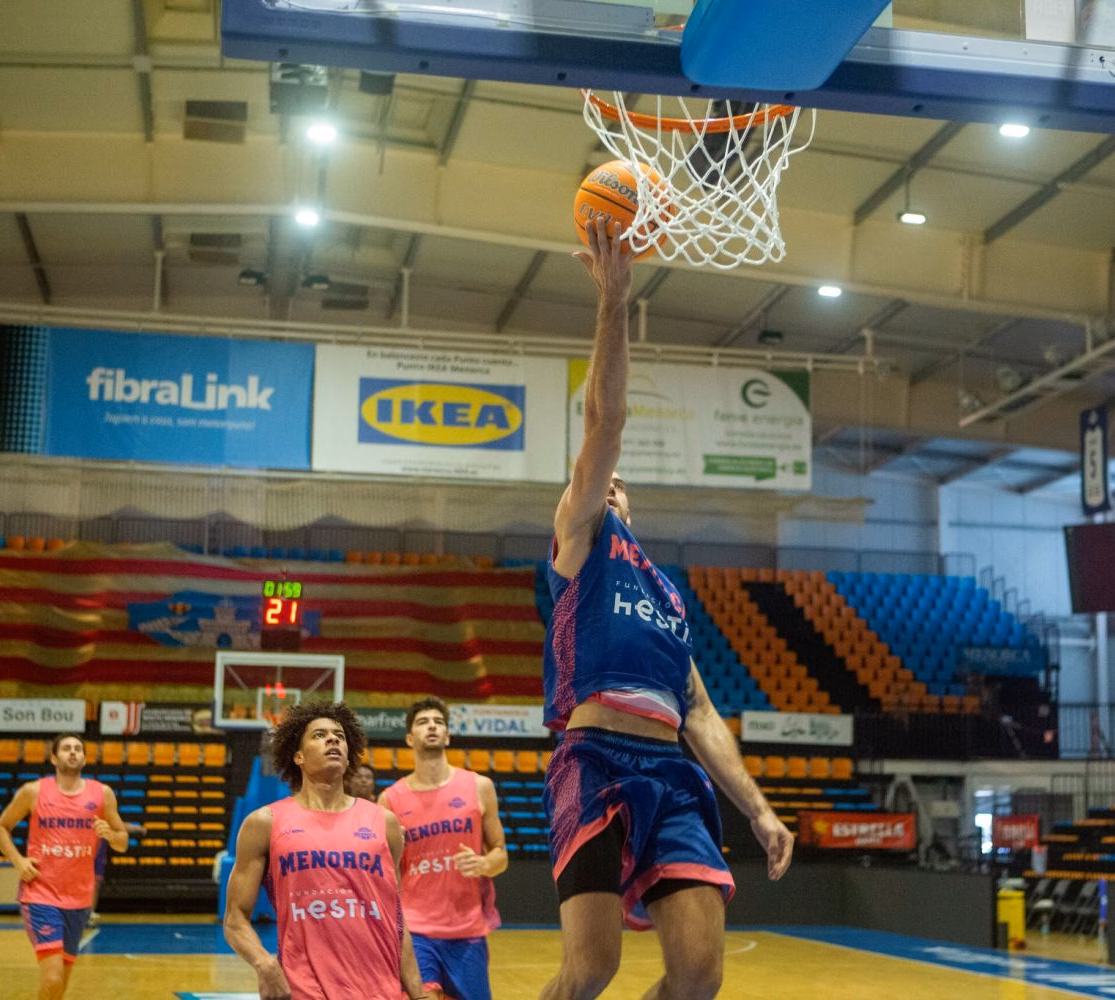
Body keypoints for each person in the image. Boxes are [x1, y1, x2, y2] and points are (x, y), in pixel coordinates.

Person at [538, 215, 794, 1000]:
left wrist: (758, 810)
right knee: (592, 969)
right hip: (597, 761)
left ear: (631, 497)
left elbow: (702, 712)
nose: (605, 480)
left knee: (697, 978)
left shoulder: (666, 591)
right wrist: (615, 298)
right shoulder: (579, 539)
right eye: (593, 475)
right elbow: (605, 423)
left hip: (673, 772)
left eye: (615, 481)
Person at [222, 701, 431, 1000]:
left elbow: (396, 919)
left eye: (340, 736)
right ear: (298, 756)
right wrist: (264, 963)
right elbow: (234, 918)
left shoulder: (384, 822)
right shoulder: (264, 823)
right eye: (319, 735)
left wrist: (419, 993)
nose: (333, 739)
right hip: (307, 990)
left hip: (381, 991)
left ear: (349, 757)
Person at [378, 696, 508, 1000]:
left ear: (447, 735)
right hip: (417, 930)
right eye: (423, 722)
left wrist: (485, 864)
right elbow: (387, 873)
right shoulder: (390, 800)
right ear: (410, 738)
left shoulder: (479, 787)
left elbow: (500, 852)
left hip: (467, 930)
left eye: (438, 722)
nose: (432, 726)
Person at [0, 733, 131, 1000]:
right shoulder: (34, 791)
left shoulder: (102, 794)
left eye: (78, 748)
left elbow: (122, 841)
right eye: (66, 748)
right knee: (53, 977)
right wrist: (17, 860)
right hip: (40, 895)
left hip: (78, 900)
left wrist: (111, 835)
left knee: (59, 986)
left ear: (85, 758)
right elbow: (1, 828)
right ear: (54, 758)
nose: (73, 752)